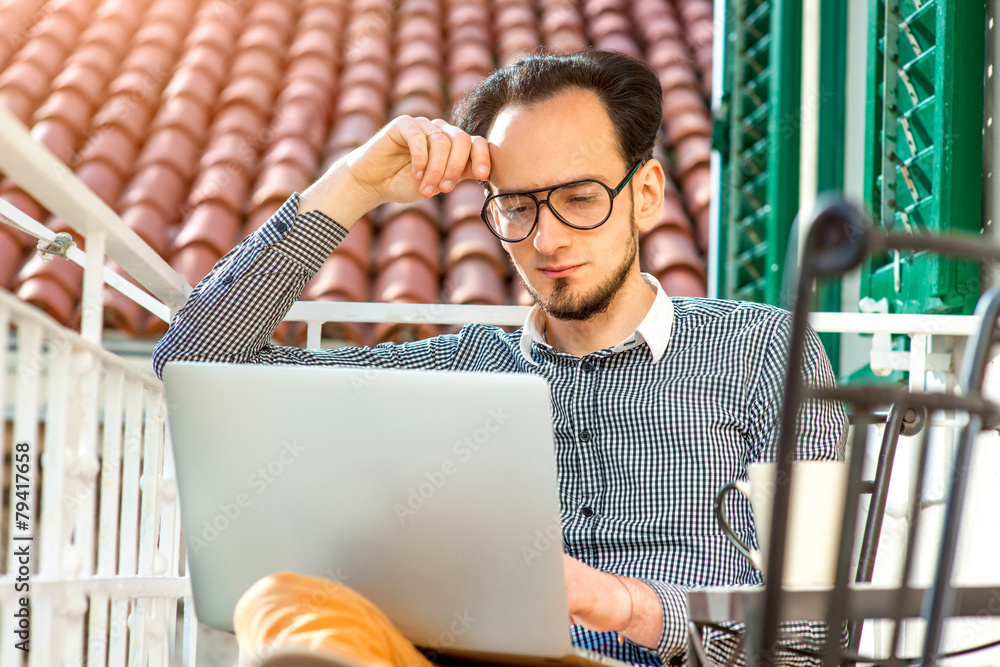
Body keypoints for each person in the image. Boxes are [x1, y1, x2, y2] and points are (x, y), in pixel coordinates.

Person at [153, 50, 846, 666]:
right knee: (283, 599)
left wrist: (623, 604)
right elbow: (194, 361)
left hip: (654, 659)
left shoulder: (766, 352)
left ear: (646, 196)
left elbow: (812, 632)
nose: (545, 239)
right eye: (516, 207)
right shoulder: (458, 370)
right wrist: (353, 186)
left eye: (579, 198)